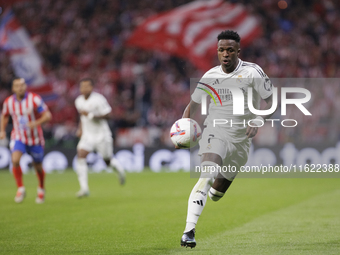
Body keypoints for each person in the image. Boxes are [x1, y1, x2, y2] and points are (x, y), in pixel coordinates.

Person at [179, 30, 276, 248]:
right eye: (221, 50)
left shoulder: (253, 72)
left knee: (215, 195)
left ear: (238, 52)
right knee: (206, 175)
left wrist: (258, 120)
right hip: (216, 131)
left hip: (241, 141)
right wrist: (183, 127)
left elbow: (273, 102)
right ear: (217, 51)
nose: (225, 54)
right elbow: (192, 105)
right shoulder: (210, 75)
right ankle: (188, 231)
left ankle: (211, 194)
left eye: (230, 50)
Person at [0, 78, 52, 204]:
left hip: (35, 139)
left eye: (22, 85)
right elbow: (5, 115)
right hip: (18, 136)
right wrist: (2, 130)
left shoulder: (34, 99)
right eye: (17, 86)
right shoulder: (8, 102)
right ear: (13, 88)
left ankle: (41, 189)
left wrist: (36, 123)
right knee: (15, 160)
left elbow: (48, 115)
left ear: (25, 87)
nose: (20, 88)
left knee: (38, 167)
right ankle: (21, 188)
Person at [74, 78, 125, 198]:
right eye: (82, 87)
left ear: (91, 87)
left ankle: (120, 171)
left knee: (107, 161)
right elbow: (82, 117)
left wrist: (91, 115)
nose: (85, 89)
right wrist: (80, 128)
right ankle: (84, 188)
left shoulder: (99, 99)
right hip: (87, 135)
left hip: (102, 135)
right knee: (81, 156)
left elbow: (108, 115)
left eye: (87, 86)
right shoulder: (78, 101)